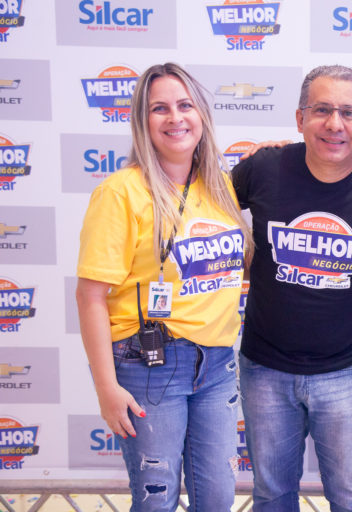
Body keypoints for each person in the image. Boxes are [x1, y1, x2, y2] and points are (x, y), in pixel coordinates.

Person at [232, 65, 352, 511]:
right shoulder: (262, 169)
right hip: (265, 370)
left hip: (347, 374)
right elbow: (200, 209)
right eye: (321, 110)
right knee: (272, 496)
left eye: (349, 113)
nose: (335, 124)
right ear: (299, 119)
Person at [76, 62, 253, 512]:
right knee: (156, 502)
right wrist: (105, 388)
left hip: (216, 365)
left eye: (184, 105)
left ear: (202, 116)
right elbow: (90, 296)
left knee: (216, 500)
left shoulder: (221, 189)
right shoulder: (120, 192)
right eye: (159, 108)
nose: (175, 118)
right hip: (148, 365)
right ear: (142, 121)